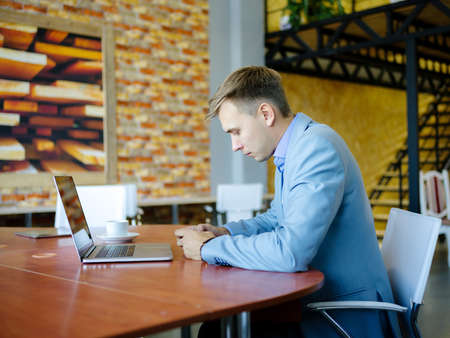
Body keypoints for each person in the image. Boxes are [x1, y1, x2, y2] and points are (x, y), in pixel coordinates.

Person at [175, 66, 400, 337]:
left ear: (266, 114)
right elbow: (276, 218)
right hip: (319, 297)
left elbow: (291, 252)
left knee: (217, 331)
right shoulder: (294, 149)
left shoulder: (316, 149)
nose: (234, 145)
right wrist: (226, 232)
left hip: (343, 313)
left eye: (236, 131)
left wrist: (210, 248)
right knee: (217, 327)